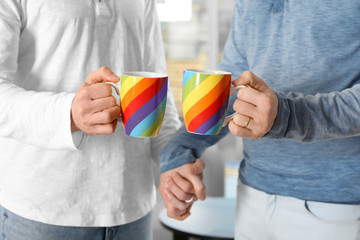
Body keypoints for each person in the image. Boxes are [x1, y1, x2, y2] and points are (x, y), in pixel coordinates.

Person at [159, 0, 360, 239]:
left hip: (336, 205)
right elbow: (230, 85)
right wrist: (178, 151)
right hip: (251, 195)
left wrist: (286, 116)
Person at [0, 0, 181, 239]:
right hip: (42, 214)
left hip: (133, 209)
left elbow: (156, 84)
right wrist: (69, 112)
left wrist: (173, 159)